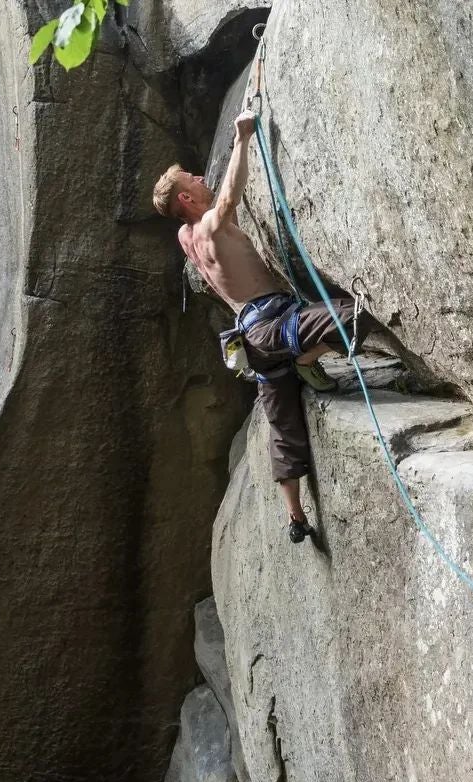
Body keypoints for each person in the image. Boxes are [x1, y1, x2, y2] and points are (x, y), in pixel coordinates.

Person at [153, 110, 380, 544]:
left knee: (284, 428)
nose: (200, 177)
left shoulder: (186, 238)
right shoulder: (210, 225)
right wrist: (242, 137)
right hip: (272, 325)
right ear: (186, 198)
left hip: (252, 340)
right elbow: (228, 199)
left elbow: (219, 206)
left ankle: (295, 517)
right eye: (192, 179)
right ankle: (307, 359)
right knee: (352, 314)